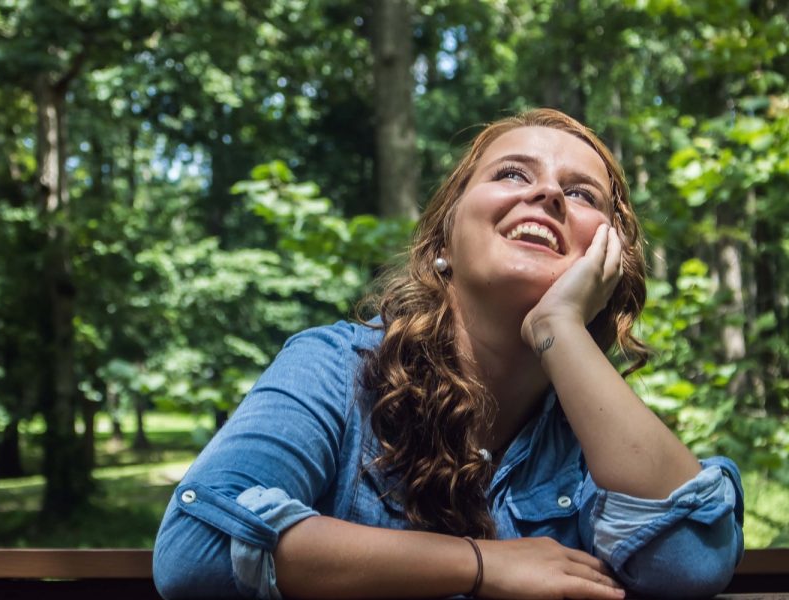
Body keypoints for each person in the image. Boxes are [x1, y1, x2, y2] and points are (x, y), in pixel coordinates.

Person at [152, 108, 744, 599]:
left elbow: (688, 564)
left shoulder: (597, 436)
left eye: (580, 192)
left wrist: (559, 325)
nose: (546, 193)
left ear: (609, 258)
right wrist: (481, 564)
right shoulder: (335, 367)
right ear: (444, 240)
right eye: (512, 174)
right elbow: (195, 550)